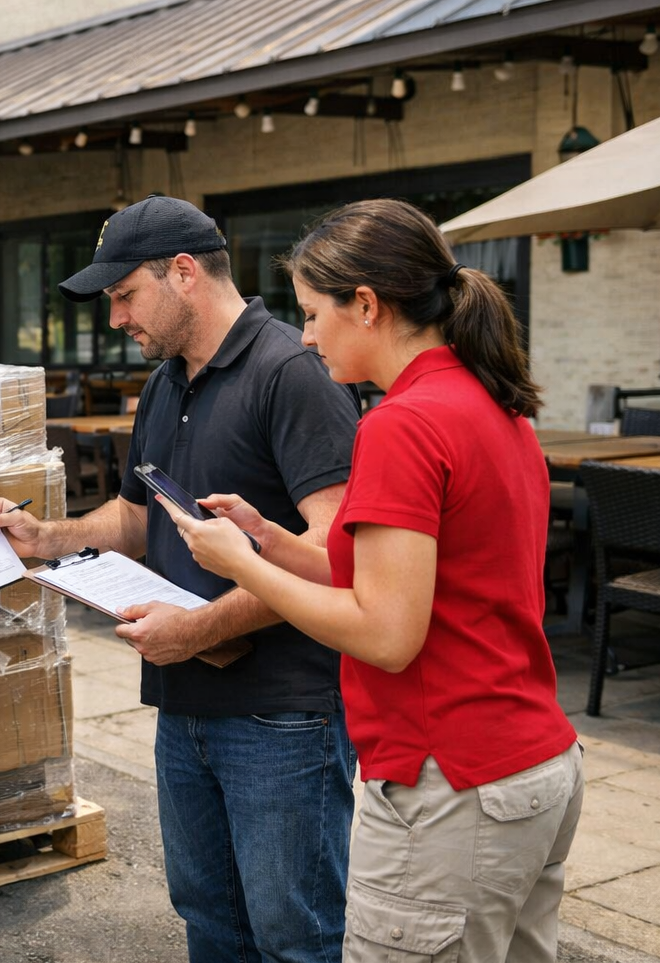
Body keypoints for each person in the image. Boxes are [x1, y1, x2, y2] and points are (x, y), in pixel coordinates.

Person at [168, 198, 583, 963]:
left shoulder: (401, 422)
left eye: (316, 312)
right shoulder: (497, 404)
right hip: (533, 768)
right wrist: (272, 540)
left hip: (449, 783)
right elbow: (405, 577)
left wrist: (243, 566)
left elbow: (389, 633)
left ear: (367, 305)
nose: (306, 335)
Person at [0, 194, 361, 963]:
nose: (116, 318)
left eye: (125, 295)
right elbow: (135, 518)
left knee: (296, 936)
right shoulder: (162, 385)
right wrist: (43, 538)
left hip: (283, 716)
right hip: (184, 702)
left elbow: (338, 550)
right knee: (208, 919)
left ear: (183, 272)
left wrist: (199, 627)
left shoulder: (292, 373)